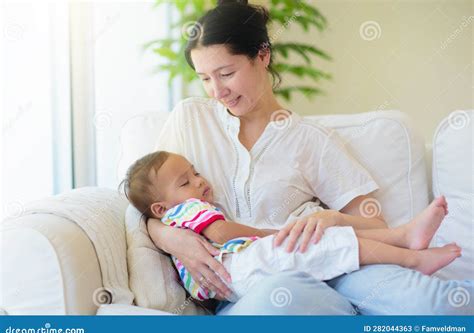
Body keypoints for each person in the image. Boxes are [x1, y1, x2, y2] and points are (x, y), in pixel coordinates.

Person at [146, 0, 473, 314]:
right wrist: (173, 239)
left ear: (262, 55)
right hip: (256, 285)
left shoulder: (309, 140)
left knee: (440, 305)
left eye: (226, 74)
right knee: (281, 301)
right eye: (205, 79)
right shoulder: (191, 119)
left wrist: (333, 218)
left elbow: (374, 222)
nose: (217, 91)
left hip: (340, 266)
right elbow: (145, 202)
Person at [123, 151, 460, 302]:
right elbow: (222, 233)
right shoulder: (186, 212)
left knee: (322, 235)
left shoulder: (179, 212)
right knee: (316, 240)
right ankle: (411, 255)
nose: (199, 181)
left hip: (233, 281)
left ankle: (405, 237)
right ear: (160, 207)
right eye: (186, 181)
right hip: (238, 268)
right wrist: (276, 235)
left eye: (196, 172)